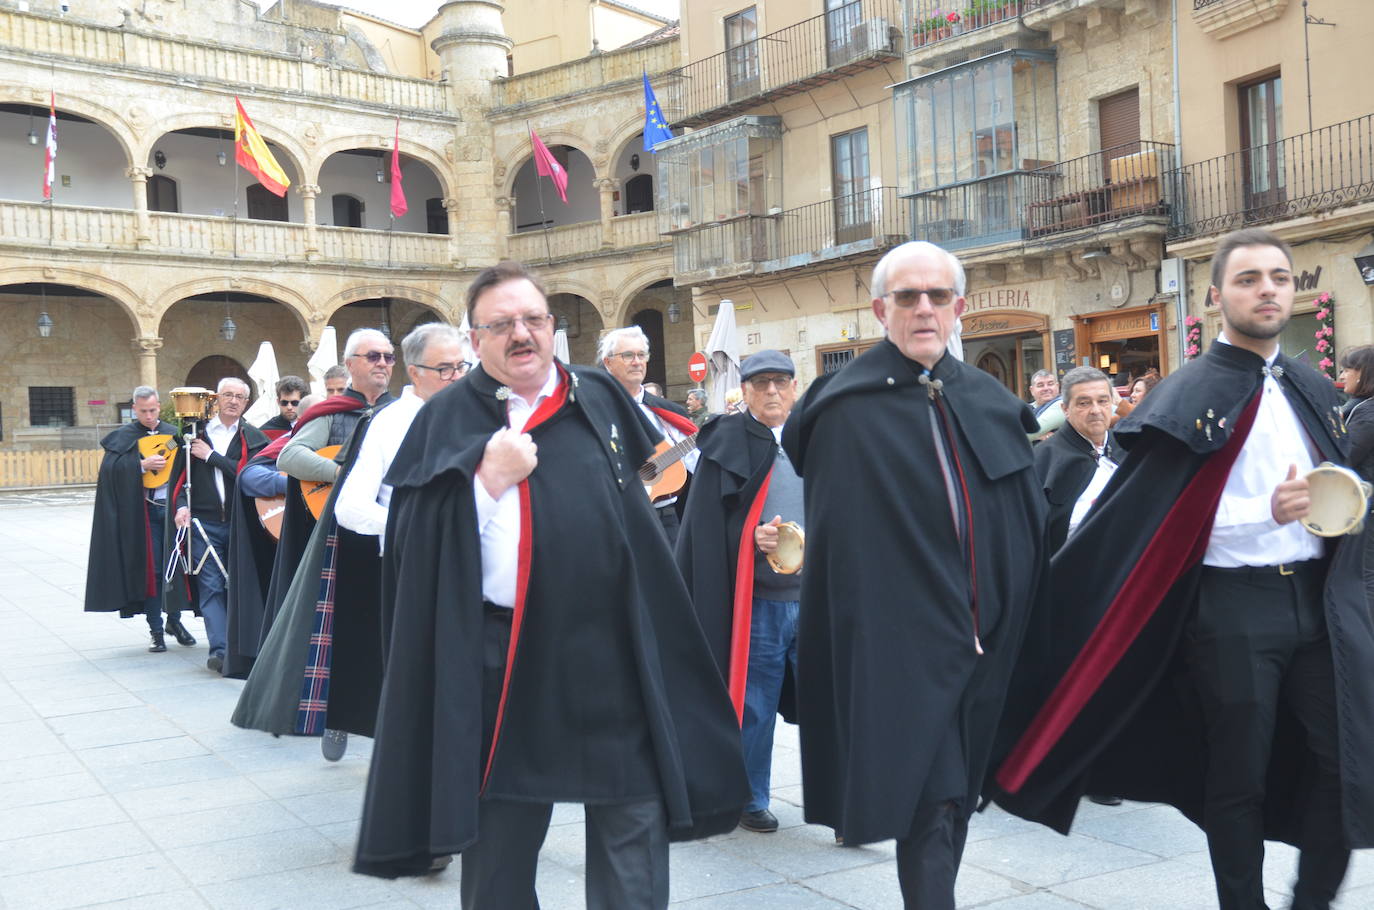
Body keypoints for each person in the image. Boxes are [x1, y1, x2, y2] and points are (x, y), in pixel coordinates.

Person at [993, 228, 1374, 910]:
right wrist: (1269, 513)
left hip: (1316, 605)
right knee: (1238, 779)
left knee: (1346, 763)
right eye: (1249, 278)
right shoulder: (1188, 391)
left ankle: (1311, 900)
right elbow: (1159, 522)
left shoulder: (1308, 383)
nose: (1266, 290)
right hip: (1230, 610)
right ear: (1215, 295)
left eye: (1279, 278)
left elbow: (1343, 484)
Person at [353, 261, 748, 907]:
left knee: (634, 847)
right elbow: (412, 543)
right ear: (475, 337)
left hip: (612, 660)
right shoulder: (447, 417)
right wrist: (487, 482)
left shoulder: (599, 394)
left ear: (552, 327)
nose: (521, 334)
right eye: (501, 323)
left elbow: (647, 480)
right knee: (500, 865)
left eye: (533, 319)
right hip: (502, 665)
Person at [781, 241, 1045, 908]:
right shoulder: (846, 409)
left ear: (959, 308)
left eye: (936, 296)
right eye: (907, 296)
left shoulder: (989, 400)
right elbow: (846, 549)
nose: (923, 308)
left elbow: (1024, 519)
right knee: (933, 801)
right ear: (881, 309)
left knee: (957, 798)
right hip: (903, 648)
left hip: (989, 644)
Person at [233, 328, 396, 760]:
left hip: (395, 532)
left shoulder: (404, 412)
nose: (383, 363)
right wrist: (345, 476)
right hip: (343, 536)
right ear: (352, 363)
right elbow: (289, 457)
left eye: (389, 356)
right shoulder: (334, 413)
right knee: (338, 628)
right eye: (373, 356)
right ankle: (336, 717)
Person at [676, 349, 803, 835]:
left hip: (814, 598)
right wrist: (749, 537)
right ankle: (752, 797)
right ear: (744, 390)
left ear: (794, 387)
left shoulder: (812, 436)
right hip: (762, 602)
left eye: (781, 382)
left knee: (834, 702)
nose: (772, 391)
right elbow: (705, 525)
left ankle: (841, 801)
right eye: (762, 383)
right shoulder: (723, 441)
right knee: (755, 704)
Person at [335, 322, 469, 542]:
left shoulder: (477, 416)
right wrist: (416, 527)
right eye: (444, 369)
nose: (456, 376)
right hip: (416, 557)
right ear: (415, 374)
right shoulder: (389, 423)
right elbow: (350, 506)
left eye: (461, 366)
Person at [85, 386, 194, 652]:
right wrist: (141, 466)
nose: (148, 415)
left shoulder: (173, 434)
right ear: (134, 409)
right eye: (143, 411)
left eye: (153, 410)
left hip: (173, 512)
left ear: (159, 406)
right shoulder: (124, 437)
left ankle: (175, 621)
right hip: (144, 514)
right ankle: (156, 630)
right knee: (154, 571)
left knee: (176, 570)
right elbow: (110, 471)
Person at [172, 377, 269, 673]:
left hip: (242, 523)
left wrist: (211, 456)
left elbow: (249, 475)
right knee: (211, 585)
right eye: (228, 394)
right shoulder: (193, 435)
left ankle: (244, 646)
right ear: (216, 399)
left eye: (240, 396)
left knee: (241, 584)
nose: (234, 401)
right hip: (204, 523)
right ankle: (220, 650)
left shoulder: (254, 437)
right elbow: (178, 479)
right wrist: (181, 507)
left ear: (246, 402)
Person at [600, 325, 699, 545]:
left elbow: (699, 463)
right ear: (608, 362)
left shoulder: (669, 413)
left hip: (665, 521)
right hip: (614, 523)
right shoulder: (594, 410)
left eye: (641, 355)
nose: (636, 361)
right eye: (627, 355)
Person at [1034, 366, 1119, 553]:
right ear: (1065, 409)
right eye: (1084, 403)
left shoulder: (1127, 448)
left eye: (1102, 401)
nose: (1096, 410)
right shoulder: (1042, 461)